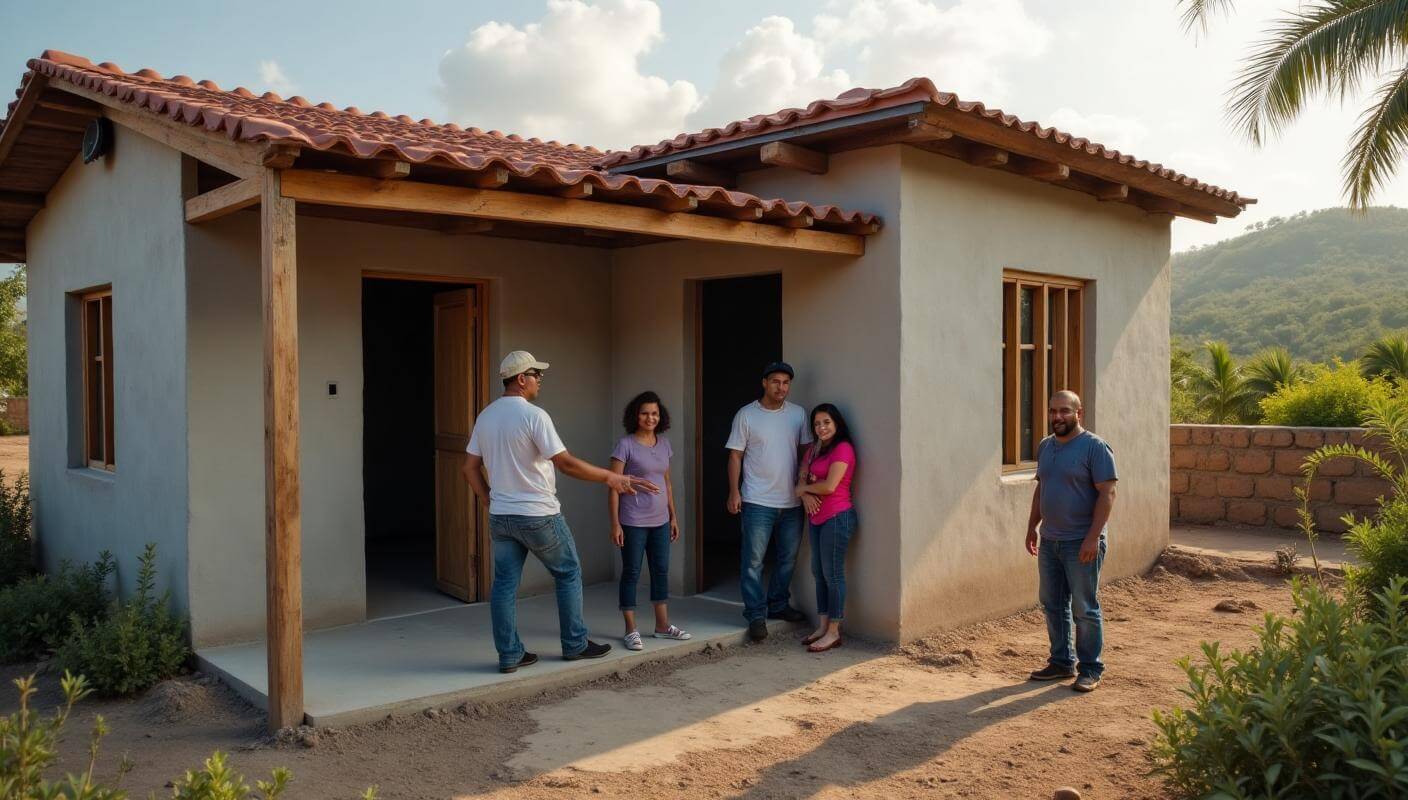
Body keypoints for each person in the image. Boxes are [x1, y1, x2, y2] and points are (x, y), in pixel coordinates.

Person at [462, 351, 658, 674]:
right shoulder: (534, 416)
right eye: (536, 374)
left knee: (504, 585)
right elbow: (564, 462)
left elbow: (468, 468)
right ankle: (575, 644)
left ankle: (509, 654)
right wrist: (610, 477)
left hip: (502, 516)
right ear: (521, 379)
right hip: (538, 514)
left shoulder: (486, 417)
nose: (540, 380)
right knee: (568, 572)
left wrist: (487, 499)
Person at [1024, 390, 1118, 692]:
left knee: (1084, 608)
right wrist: (1032, 527)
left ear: (1079, 413)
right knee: (1052, 603)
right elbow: (1042, 489)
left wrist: (1093, 538)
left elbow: (1107, 493)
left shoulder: (1095, 447)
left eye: (1065, 411)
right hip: (1050, 541)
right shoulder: (1046, 446)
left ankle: (1091, 668)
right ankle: (1061, 661)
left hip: (1081, 543)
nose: (1057, 417)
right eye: (1053, 411)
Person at [726, 361, 813, 642]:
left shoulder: (798, 414)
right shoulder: (747, 415)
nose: (781, 387)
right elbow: (735, 456)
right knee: (753, 561)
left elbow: (805, 453)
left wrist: (806, 488)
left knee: (787, 559)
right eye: (775, 381)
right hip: (756, 500)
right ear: (765, 383)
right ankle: (755, 615)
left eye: (786, 383)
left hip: (792, 502)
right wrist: (734, 491)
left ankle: (778, 605)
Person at [609, 391, 691, 651]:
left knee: (661, 571)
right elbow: (613, 486)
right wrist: (615, 523)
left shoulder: (664, 444)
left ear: (660, 416)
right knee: (631, 572)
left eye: (654, 413)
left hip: (661, 521)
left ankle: (662, 626)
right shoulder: (625, 445)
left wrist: (673, 515)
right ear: (636, 415)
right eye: (645, 413)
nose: (650, 417)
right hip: (632, 520)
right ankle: (630, 630)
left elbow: (666, 482)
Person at [796, 403, 857, 653]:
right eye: (817, 424)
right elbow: (802, 475)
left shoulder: (843, 448)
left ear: (836, 423)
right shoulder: (814, 449)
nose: (821, 427)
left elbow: (830, 486)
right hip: (816, 517)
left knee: (833, 575)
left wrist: (804, 489)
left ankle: (834, 631)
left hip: (837, 517)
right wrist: (805, 494)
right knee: (818, 572)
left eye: (826, 422)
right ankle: (822, 626)